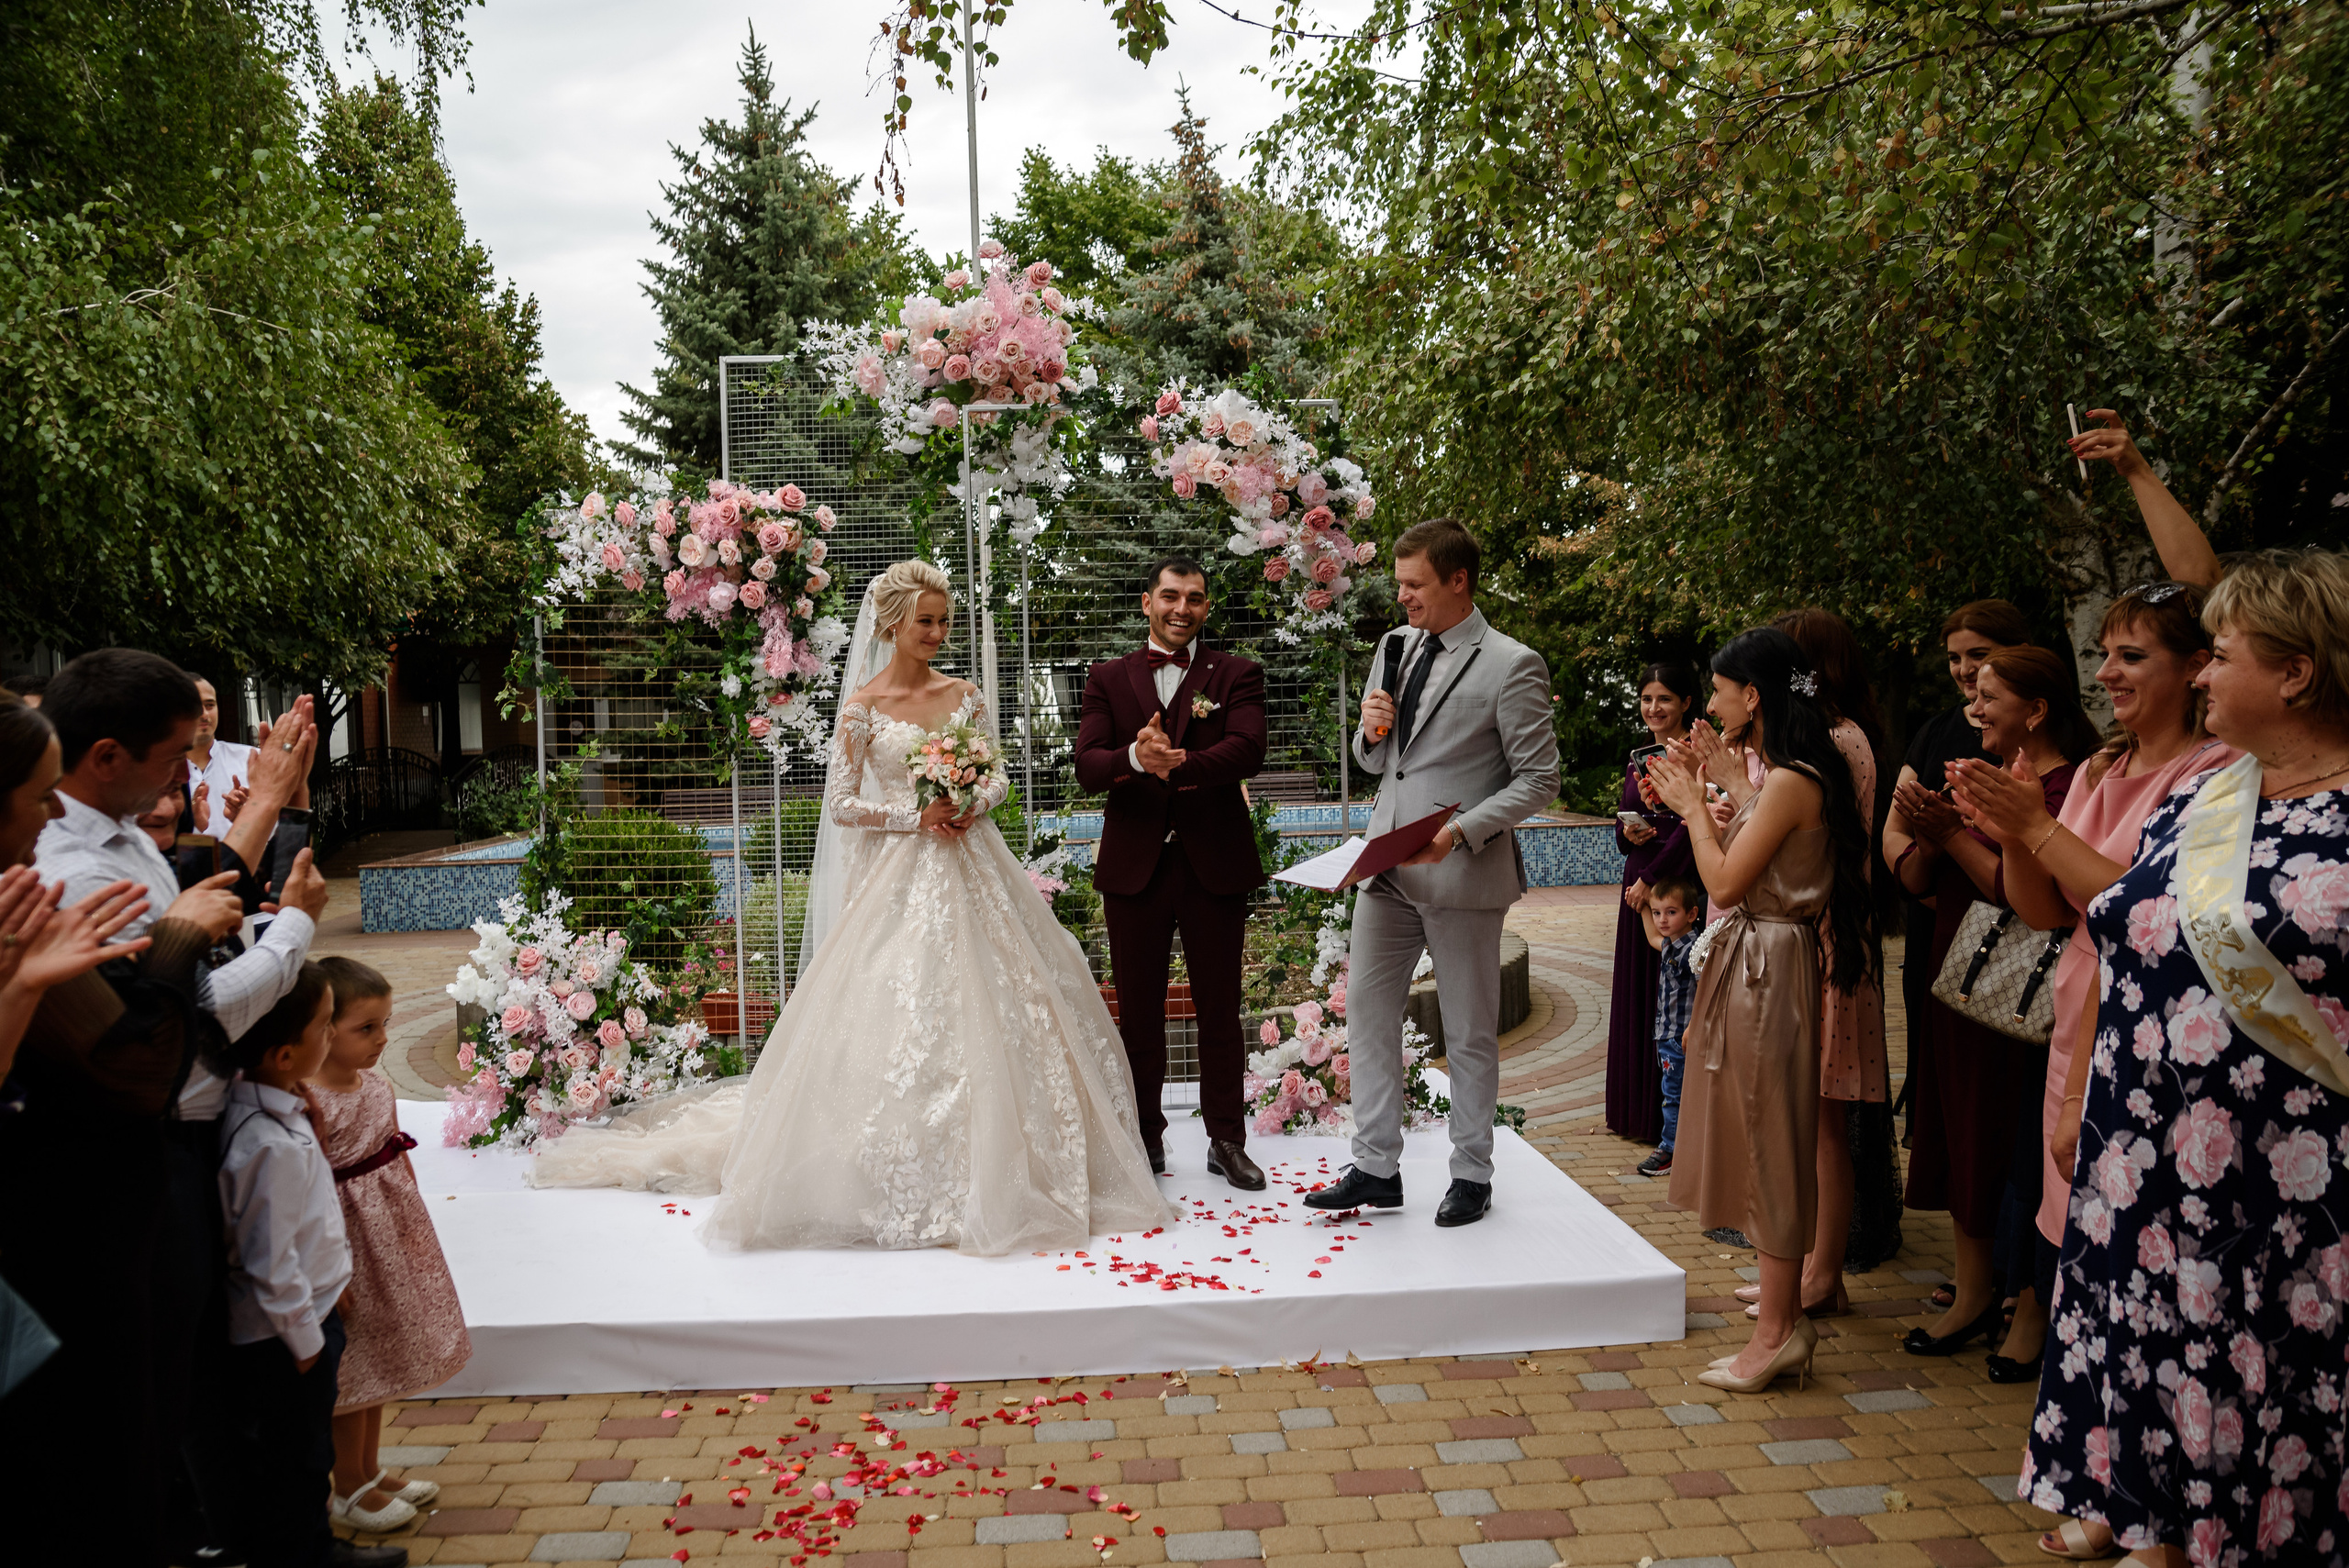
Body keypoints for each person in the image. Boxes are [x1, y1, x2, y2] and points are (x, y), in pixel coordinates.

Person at [531, 561, 1174, 1255]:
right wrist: (913, 814)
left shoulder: (966, 694)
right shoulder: (862, 706)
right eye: (924, 620)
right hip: (900, 873)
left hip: (976, 866)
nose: (936, 632)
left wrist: (966, 801)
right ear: (891, 623)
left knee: (1015, 1001)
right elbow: (840, 804)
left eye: (943, 620)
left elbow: (999, 781)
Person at [2024, 548, 2349, 1568]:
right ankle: (2162, 1532)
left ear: (2295, 671)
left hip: (2289, 1193)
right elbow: (2128, 941)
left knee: (2278, 1384)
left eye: (2219, 655)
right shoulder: (2207, 794)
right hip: (2147, 1168)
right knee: (2160, 1361)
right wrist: (2085, 1096)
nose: (2200, 674)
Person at [1949, 585, 2232, 1560]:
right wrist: (2012, 821)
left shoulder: (2216, 774)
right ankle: (2108, 1484)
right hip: (2082, 1007)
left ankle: (2145, 1500)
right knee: (2090, 1268)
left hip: (2150, 1022)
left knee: (2135, 1273)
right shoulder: (2107, 765)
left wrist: (2031, 827)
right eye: (2104, 653)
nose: (2104, 672)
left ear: (2194, 668)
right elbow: (2041, 905)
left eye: (2129, 655)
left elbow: (2145, 912)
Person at [1308, 518, 1561, 1227]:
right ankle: (1375, 1167)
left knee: (1471, 1028)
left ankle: (1471, 1172)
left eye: (1415, 584)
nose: (1403, 597)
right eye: (1398, 583)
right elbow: (1374, 761)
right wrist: (1369, 731)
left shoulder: (1513, 664)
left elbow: (1540, 779)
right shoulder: (1393, 647)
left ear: (1458, 581)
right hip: (1384, 869)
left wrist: (1460, 831)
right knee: (1365, 1010)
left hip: (1461, 872)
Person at [1651, 627, 1879, 1393]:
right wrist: (1724, 782)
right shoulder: (1791, 774)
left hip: (1765, 967)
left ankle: (1780, 1331)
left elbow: (1724, 881)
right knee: (1767, 1139)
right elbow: (1775, 837)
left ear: (1753, 696)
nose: (1709, 703)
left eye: (1718, 690)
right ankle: (1778, 1319)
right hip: (1768, 962)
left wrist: (1691, 808)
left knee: (1772, 1145)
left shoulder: (1790, 778)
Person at [1893, 646, 2100, 1357]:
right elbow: (1922, 877)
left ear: (2036, 710)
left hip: (2024, 986)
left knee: (2011, 1143)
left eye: (1988, 696)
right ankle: (1974, 1286)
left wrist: (1955, 833)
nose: (1972, 709)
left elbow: (2034, 898)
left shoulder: (2070, 786)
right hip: (1958, 968)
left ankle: (2027, 1307)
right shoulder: (1991, 775)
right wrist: (1923, 827)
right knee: (1959, 1130)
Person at [1074, 557, 1270, 1188]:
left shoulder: (1236, 673)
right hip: (1136, 868)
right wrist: (1135, 754)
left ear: (1206, 607)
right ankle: (1145, 1140)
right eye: (1170, 596)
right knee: (1138, 1013)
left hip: (1214, 862)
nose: (1181, 608)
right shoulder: (1107, 678)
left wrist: (1176, 763)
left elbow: (1249, 747)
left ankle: (1226, 1138)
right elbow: (1089, 764)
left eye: (1194, 598)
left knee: (1220, 1009)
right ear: (1146, 602)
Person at [217, 966, 399, 1568]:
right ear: (286, 1051)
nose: (330, 1036)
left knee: (304, 1447)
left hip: (315, 1309)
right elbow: (270, 1258)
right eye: (326, 1024)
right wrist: (304, 1338)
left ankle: (313, 1539)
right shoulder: (265, 1142)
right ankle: (305, 1549)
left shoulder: (282, 1112)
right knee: (297, 1454)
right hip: (288, 1334)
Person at [1752, 607, 1894, 1309]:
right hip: (1831, 934)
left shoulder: (1837, 740)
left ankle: (1822, 1273)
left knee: (1823, 1125)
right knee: (1809, 1123)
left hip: (1832, 938)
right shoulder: (1833, 737)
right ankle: (1808, 1267)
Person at [307, 956, 467, 1533]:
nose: (382, 1039)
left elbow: (393, 1155)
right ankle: (346, 1483)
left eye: (384, 1024)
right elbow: (308, 1188)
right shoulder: (311, 1101)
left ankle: (369, 1470)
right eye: (365, 1028)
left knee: (378, 1359)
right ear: (322, 1031)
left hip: (386, 1243)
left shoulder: (376, 1083)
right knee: (350, 1368)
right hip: (343, 1248)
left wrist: (414, 1223)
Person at [1609, 662, 1699, 1149]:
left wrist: (1650, 877)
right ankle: (1635, 1113)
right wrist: (1629, 832)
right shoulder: (1639, 756)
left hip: (1675, 885)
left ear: (1686, 702)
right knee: (1637, 995)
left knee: (1672, 999)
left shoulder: (1696, 755)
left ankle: (1669, 1122)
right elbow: (1623, 833)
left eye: (1664, 698)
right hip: (1636, 885)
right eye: (1646, 698)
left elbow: (1692, 825)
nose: (1654, 707)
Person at [1637, 874, 1703, 1177]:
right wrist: (1642, 907)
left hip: (1681, 1036)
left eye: (1671, 912)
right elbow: (1653, 938)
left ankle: (1670, 1149)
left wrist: (1695, 1026)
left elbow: (1706, 987)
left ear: (1692, 914)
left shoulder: (1694, 950)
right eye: (1657, 913)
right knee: (1672, 1091)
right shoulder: (1670, 944)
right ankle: (1681, 1148)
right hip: (1666, 1035)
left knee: (1674, 1095)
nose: (1662, 920)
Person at [187, 675, 257, 834]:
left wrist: (246, 818)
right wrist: (191, 823)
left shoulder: (251, 759)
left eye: (210, 705)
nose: (204, 714)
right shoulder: (160, 771)